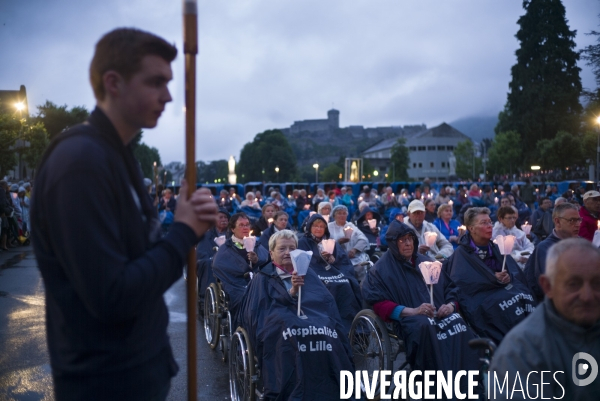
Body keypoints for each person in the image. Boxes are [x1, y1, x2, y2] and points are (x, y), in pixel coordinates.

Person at [30, 28, 218, 401]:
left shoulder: (117, 154)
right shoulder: (81, 163)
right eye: (156, 82)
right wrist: (182, 232)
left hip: (136, 372)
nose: (168, 95)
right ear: (113, 83)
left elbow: (139, 257)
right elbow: (111, 295)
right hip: (106, 382)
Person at [239, 230, 354, 400]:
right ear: (271, 253)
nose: (287, 253)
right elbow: (260, 312)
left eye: (292, 248)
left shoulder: (309, 274)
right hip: (279, 324)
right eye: (282, 249)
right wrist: (291, 292)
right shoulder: (262, 277)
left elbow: (325, 303)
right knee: (290, 333)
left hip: (313, 320)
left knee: (327, 329)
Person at [361, 221, 479, 382]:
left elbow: (451, 289)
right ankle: (436, 384)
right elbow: (378, 303)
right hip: (408, 319)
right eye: (402, 240)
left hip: (439, 314)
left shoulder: (427, 262)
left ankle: (466, 381)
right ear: (393, 243)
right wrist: (413, 310)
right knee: (425, 326)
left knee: (458, 322)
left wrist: (451, 305)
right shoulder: (380, 270)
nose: (408, 243)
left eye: (410, 239)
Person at [490, 239, 600, 400]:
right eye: (573, 284)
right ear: (548, 286)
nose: (587, 296)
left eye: (597, 284)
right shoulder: (521, 351)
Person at [443, 207, 536, 344]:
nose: (489, 226)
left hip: (506, 292)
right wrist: (491, 278)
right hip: (483, 299)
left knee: (524, 296)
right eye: (483, 223)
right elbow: (463, 284)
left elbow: (515, 273)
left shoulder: (495, 248)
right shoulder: (461, 255)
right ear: (471, 228)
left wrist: (509, 276)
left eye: (490, 222)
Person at [297, 214, 362, 333]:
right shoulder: (303, 242)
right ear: (310, 227)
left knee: (346, 285)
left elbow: (343, 262)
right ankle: (328, 326)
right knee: (328, 287)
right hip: (314, 274)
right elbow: (303, 262)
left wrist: (333, 260)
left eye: (322, 226)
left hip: (334, 273)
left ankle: (350, 327)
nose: (319, 229)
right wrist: (320, 259)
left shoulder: (331, 243)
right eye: (316, 226)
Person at [212, 213, 269, 327]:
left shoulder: (256, 244)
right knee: (246, 298)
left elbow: (268, 261)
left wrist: (256, 260)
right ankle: (245, 327)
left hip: (258, 281)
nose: (245, 227)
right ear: (233, 229)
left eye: (247, 224)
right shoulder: (227, 247)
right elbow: (219, 265)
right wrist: (245, 270)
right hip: (236, 283)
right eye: (241, 225)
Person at [524, 202, 582, 302]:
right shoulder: (545, 248)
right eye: (572, 220)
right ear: (557, 222)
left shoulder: (582, 243)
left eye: (578, 220)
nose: (577, 225)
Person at [195, 207, 229, 314]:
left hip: (229, 263)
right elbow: (201, 252)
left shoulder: (232, 235)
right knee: (208, 264)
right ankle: (204, 298)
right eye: (220, 217)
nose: (223, 219)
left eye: (225, 217)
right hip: (211, 262)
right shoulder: (206, 235)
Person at [327, 206, 370, 281]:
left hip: (353, 258)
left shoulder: (351, 226)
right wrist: (339, 242)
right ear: (334, 216)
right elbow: (326, 243)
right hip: (336, 258)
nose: (342, 215)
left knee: (360, 266)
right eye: (339, 213)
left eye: (344, 213)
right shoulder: (329, 227)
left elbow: (363, 239)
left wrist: (354, 249)